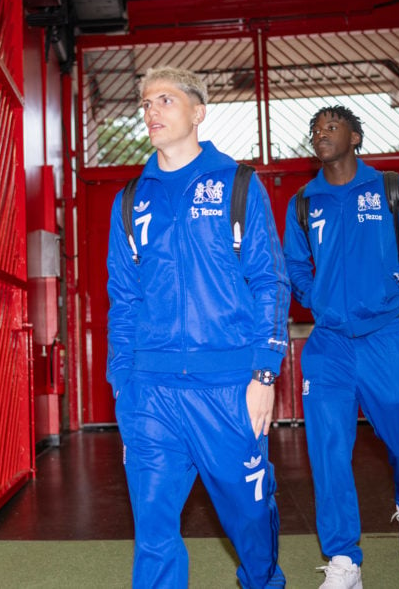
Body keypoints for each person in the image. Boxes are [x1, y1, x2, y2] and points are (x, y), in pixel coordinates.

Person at [106, 66, 290, 588]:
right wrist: (123, 381)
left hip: (229, 387)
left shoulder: (238, 185)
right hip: (151, 393)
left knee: (251, 519)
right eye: (145, 103)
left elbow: (270, 283)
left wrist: (264, 373)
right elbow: (123, 297)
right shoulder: (130, 201)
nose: (151, 111)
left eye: (165, 99)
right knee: (154, 529)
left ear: (198, 112)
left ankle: (262, 581)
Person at [282, 105, 399, 588]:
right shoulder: (305, 201)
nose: (320, 134)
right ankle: (344, 560)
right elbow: (294, 263)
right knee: (327, 450)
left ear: (355, 137)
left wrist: (394, 282)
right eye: (315, 129)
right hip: (328, 345)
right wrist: (316, 300)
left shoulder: (390, 188)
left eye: (331, 127)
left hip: (384, 338)